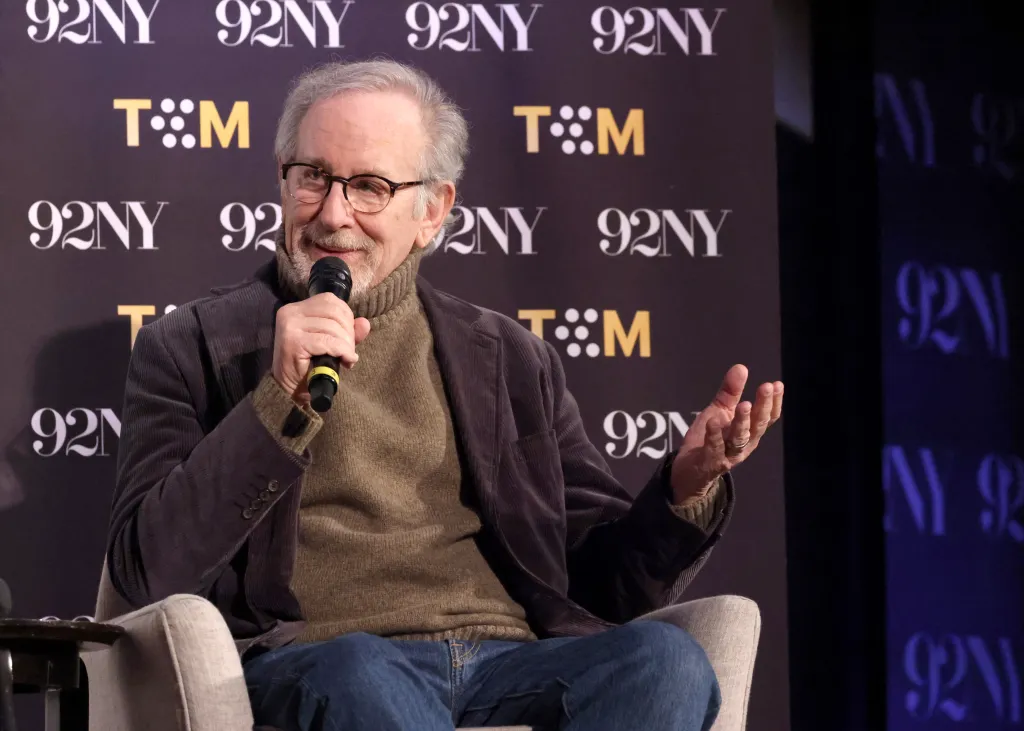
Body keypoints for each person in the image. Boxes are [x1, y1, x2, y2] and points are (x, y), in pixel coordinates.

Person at [106, 59, 783, 731]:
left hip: (506, 662)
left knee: (666, 660)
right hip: (326, 659)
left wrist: (684, 489)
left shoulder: (511, 358)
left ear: (432, 211)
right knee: (360, 671)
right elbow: (147, 571)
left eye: (369, 186)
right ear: (283, 177)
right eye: (313, 177)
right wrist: (278, 401)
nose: (334, 214)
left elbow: (604, 584)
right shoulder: (192, 344)